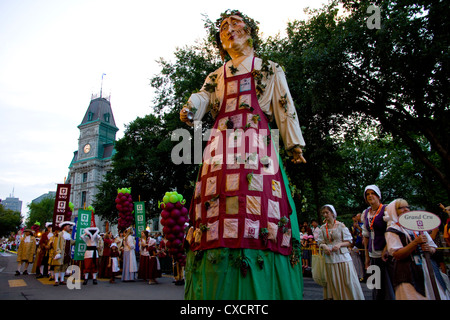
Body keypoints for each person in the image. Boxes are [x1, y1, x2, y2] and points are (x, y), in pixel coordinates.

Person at [179, 9, 306, 300]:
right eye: (223, 26)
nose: (228, 28)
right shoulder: (216, 76)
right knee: (215, 214)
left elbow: (284, 106)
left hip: (257, 152)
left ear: (249, 32)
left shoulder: (269, 68)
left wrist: (293, 144)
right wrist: (191, 107)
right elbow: (203, 97)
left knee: (262, 216)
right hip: (219, 156)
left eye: (234, 23)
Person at [384, 199, 450, 300]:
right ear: (394, 211)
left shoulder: (416, 226)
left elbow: (433, 247)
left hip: (428, 269)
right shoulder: (393, 230)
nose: (405, 209)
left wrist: (429, 249)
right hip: (408, 273)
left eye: (407, 207)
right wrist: (415, 243)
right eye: (401, 208)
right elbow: (397, 254)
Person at [317, 204, 365, 300]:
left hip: (342, 257)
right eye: (323, 213)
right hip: (330, 258)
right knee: (333, 281)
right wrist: (324, 246)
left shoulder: (341, 226)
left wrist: (339, 245)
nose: (325, 215)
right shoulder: (322, 228)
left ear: (332, 213)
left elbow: (349, 241)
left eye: (327, 212)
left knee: (347, 281)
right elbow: (320, 242)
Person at [361, 184, 394, 300]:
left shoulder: (386, 209)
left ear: (378, 195)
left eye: (372, 193)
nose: (370, 196)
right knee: (376, 284)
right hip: (372, 253)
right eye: (367, 194)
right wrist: (366, 257)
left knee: (388, 284)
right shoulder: (365, 213)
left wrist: (386, 248)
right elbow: (365, 236)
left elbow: (391, 231)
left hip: (386, 254)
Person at [51, 221, 76, 286]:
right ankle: (56, 280)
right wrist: (58, 252)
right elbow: (56, 244)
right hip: (61, 253)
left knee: (64, 266)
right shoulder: (59, 234)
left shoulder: (69, 235)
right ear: (64, 227)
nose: (69, 228)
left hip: (67, 252)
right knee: (58, 266)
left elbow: (72, 242)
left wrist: (78, 240)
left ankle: (62, 280)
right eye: (68, 226)